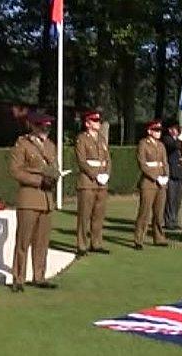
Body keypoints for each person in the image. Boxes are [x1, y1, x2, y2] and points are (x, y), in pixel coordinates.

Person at [9, 111, 59, 291]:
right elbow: (16, 171)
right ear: (33, 126)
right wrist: (39, 180)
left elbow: (54, 167)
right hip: (29, 198)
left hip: (46, 198)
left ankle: (39, 276)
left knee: (42, 241)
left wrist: (53, 178)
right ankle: (18, 278)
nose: (46, 130)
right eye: (43, 126)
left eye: (48, 127)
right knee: (24, 240)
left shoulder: (50, 146)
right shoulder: (23, 144)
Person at [74, 110, 110, 257]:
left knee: (98, 215)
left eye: (98, 121)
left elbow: (108, 159)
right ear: (87, 123)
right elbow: (82, 161)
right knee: (85, 215)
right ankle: (81, 245)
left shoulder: (101, 139)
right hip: (88, 182)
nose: (98, 123)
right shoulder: (82, 139)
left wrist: (106, 173)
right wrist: (95, 174)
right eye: (95, 121)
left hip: (102, 182)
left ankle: (96, 243)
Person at [133, 119, 169, 250]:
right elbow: (143, 164)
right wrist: (155, 177)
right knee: (144, 212)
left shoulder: (161, 145)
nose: (158, 133)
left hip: (161, 183)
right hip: (148, 182)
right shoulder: (143, 144)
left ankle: (159, 237)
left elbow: (165, 163)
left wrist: (165, 176)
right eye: (156, 130)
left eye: (159, 130)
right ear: (149, 131)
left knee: (159, 213)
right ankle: (139, 239)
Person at [161, 120, 182, 231]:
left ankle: (174, 220)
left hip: (179, 172)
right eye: (175, 129)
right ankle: (168, 220)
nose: (176, 131)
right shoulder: (167, 139)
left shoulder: (179, 140)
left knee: (178, 199)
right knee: (170, 199)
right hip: (171, 172)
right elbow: (174, 146)